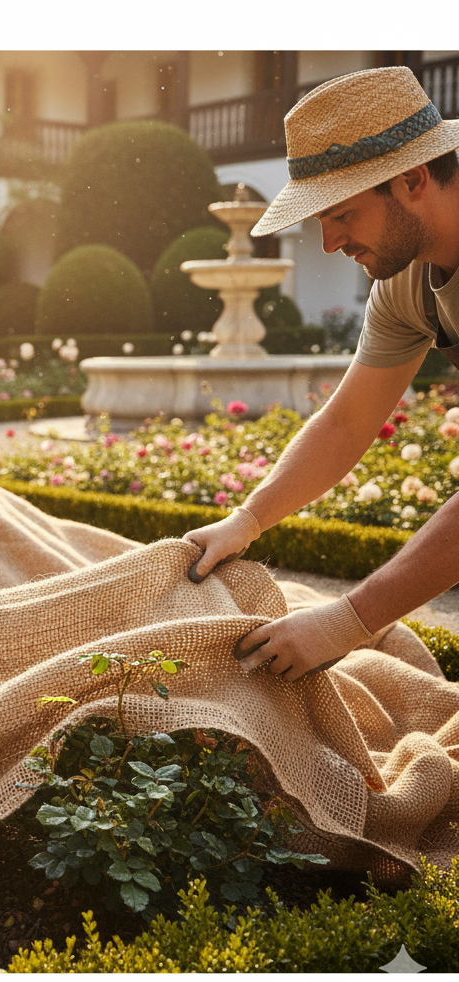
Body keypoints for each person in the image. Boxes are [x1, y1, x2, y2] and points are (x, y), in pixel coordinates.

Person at [183, 65, 459, 681]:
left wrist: (346, 621)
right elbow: (347, 422)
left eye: (344, 215)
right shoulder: (405, 280)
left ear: (412, 179)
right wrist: (246, 520)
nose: (330, 243)